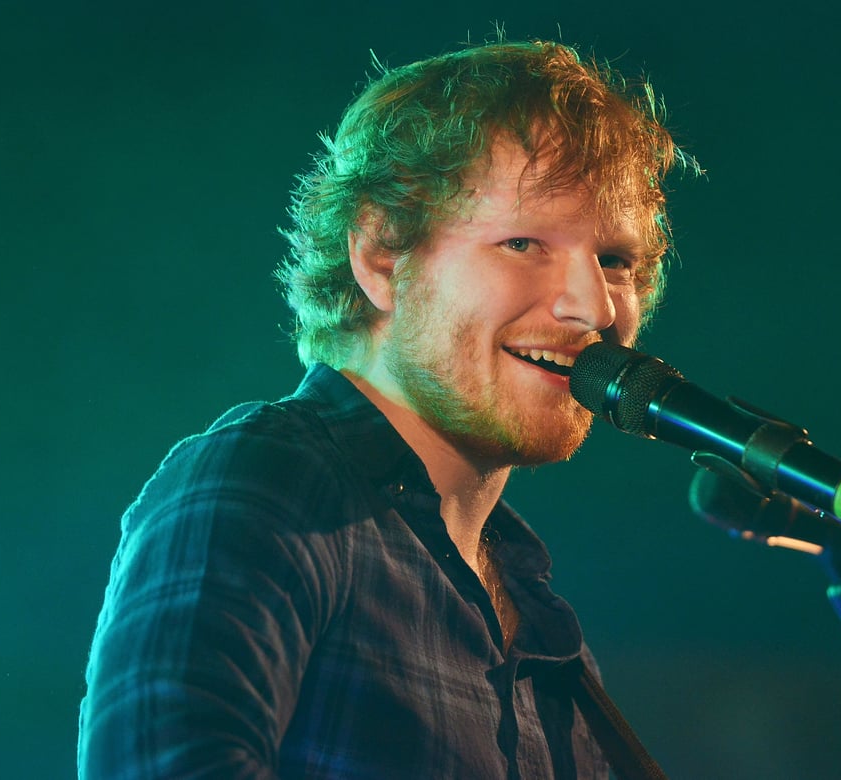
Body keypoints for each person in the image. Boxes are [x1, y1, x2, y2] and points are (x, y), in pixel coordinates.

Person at [78, 38, 695, 778]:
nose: (591, 306)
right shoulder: (274, 481)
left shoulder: (543, 626)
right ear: (380, 256)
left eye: (615, 261)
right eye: (524, 242)